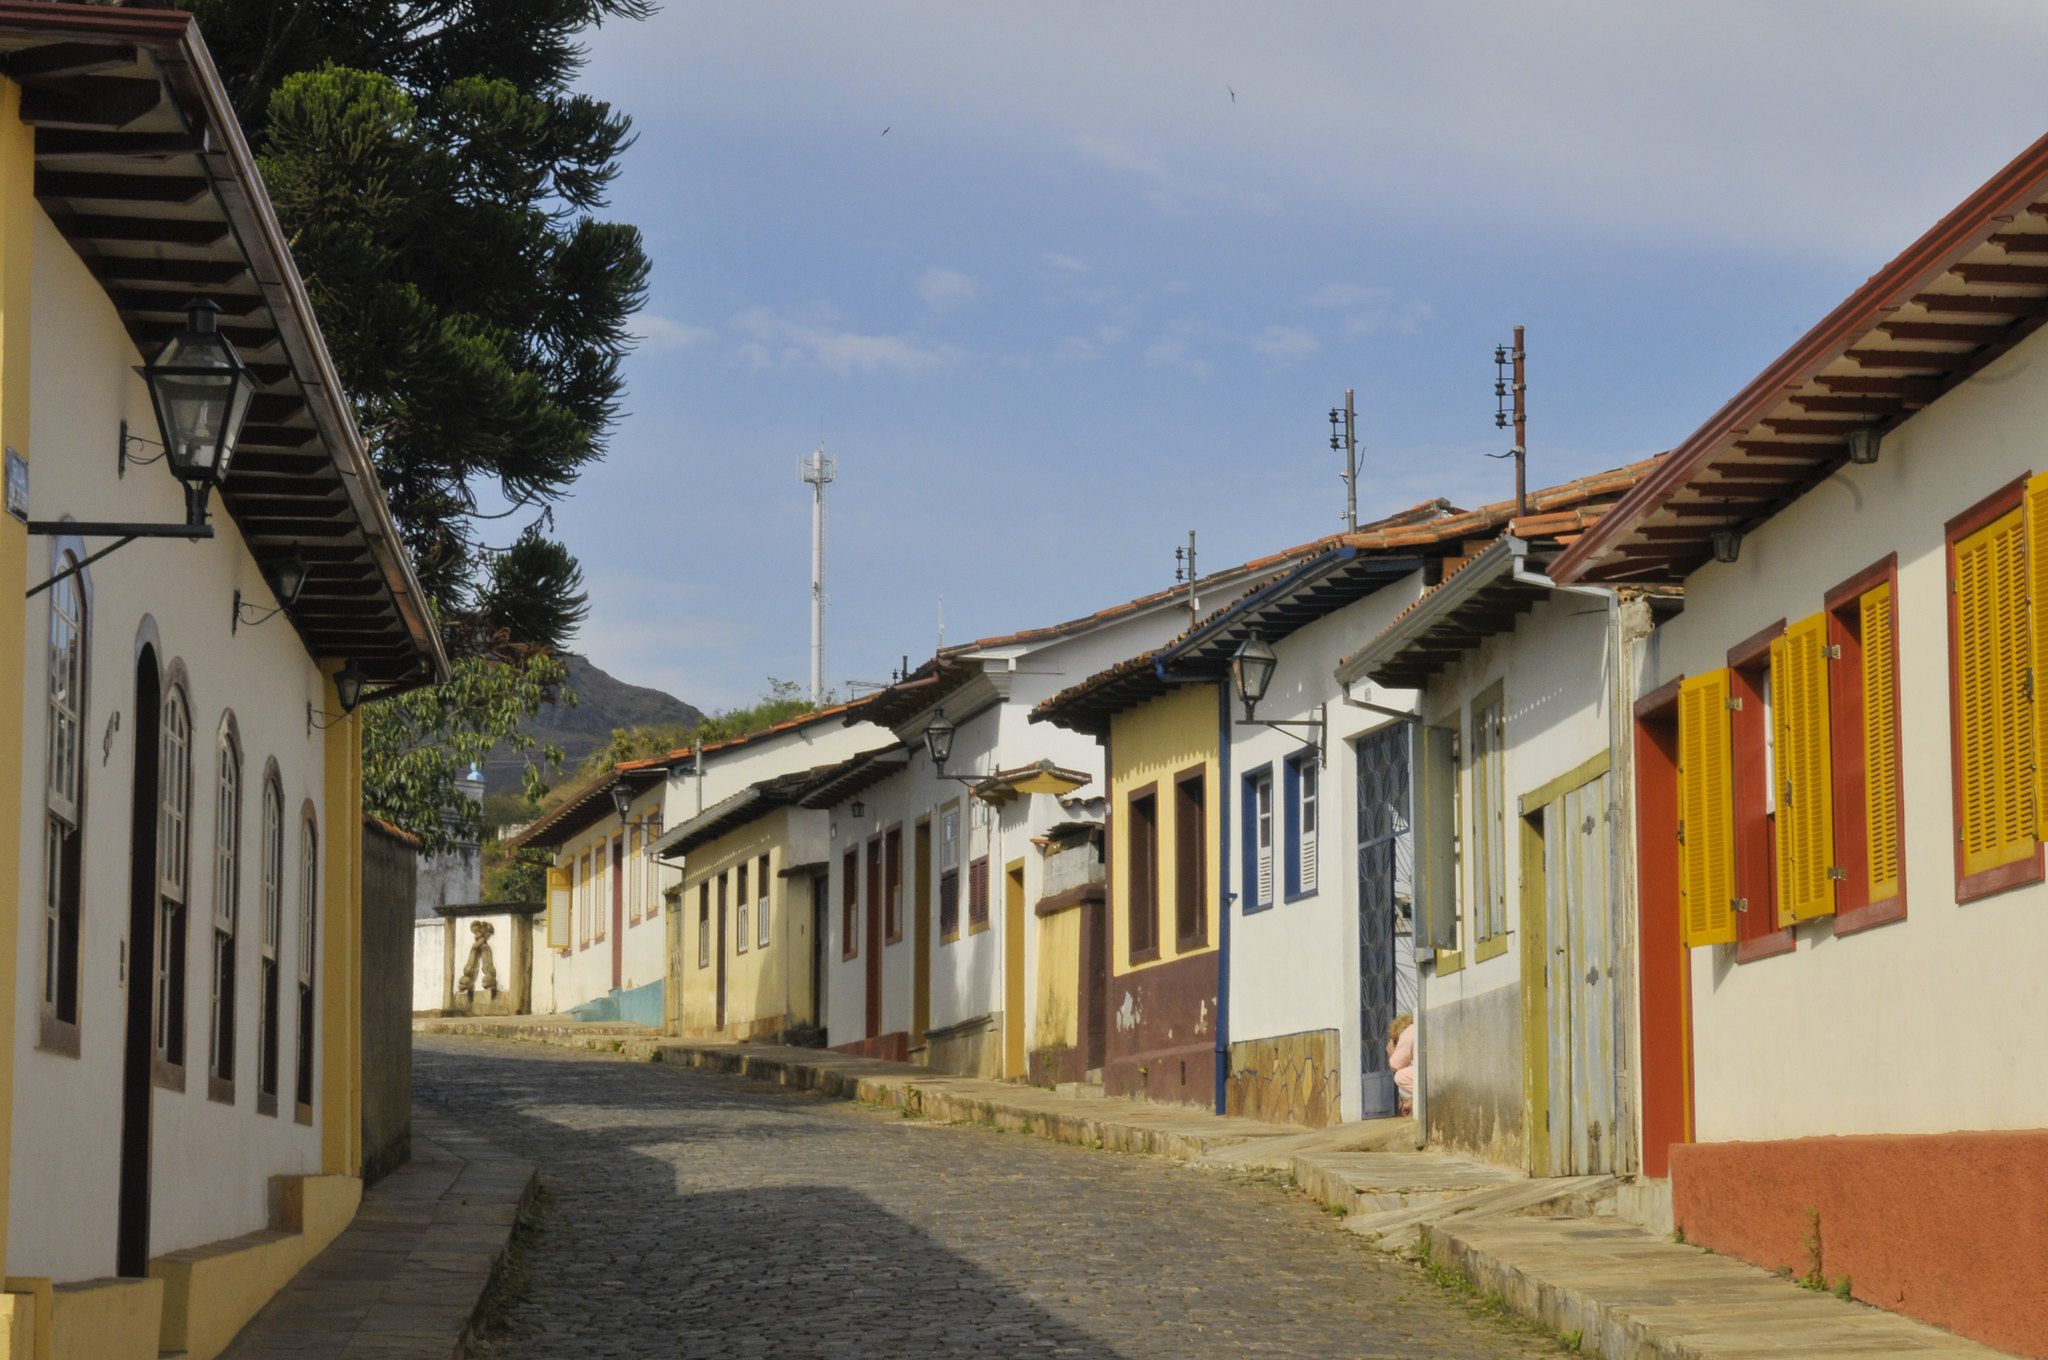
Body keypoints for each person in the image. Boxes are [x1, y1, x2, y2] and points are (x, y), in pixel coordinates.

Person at [1387, 1014, 1416, 1113]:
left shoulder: (1406, 1033)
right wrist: (1412, 1100)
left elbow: (1396, 1065)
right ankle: (1416, 1100)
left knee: (1400, 1076)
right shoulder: (1416, 1028)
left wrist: (1392, 1052)